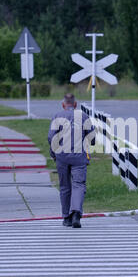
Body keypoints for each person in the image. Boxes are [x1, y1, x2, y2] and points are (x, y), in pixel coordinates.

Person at [48, 94, 95, 228]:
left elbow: (51, 137)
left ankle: (66, 217)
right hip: (79, 157)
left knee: (64, 186)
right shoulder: (84, 117)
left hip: (61, 156)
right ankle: (76, 214)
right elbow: (92, 139)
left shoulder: (57, 116)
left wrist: (53, 154)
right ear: (75, 105)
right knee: (79, 184)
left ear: (63, 105)